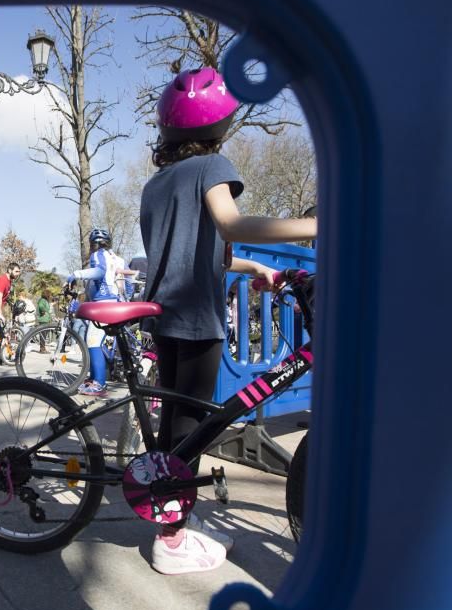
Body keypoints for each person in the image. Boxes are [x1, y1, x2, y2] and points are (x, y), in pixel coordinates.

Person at [140, 66, 318, 575]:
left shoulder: (158, 183)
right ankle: (171, 538)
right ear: (219, 125)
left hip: (166, 309)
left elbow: (202, 251)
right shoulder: (213, 166)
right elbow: (232, 224)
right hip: (197, 312)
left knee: (178, 421)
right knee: (192, 425)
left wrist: (255, 265)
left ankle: (170, 520)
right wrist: (318, 224)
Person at [67, 228, 128, 396]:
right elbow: (127, 284)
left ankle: (99, 383)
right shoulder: (119, 260)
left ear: (93, 244)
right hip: (116, 303)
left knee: (93, 341)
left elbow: (99, 272)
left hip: (103, 304)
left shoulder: (98, 255)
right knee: (98, 341)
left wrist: (76, 274)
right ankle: (93, 378)